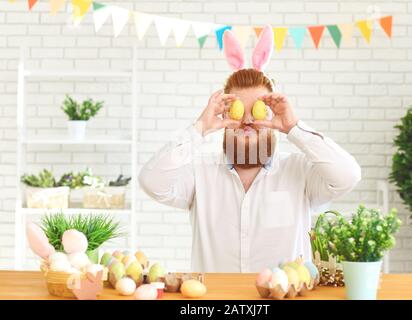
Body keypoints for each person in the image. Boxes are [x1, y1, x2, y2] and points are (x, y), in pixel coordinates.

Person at [139, 26, 361, 272]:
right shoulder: (199, 172)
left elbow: (348, 176)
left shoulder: (300, 171)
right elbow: (151, 182)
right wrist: (199, 129)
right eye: (237, 111)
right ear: (224, 115)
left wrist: (294, 128)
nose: (246, 121)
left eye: (257, 111)